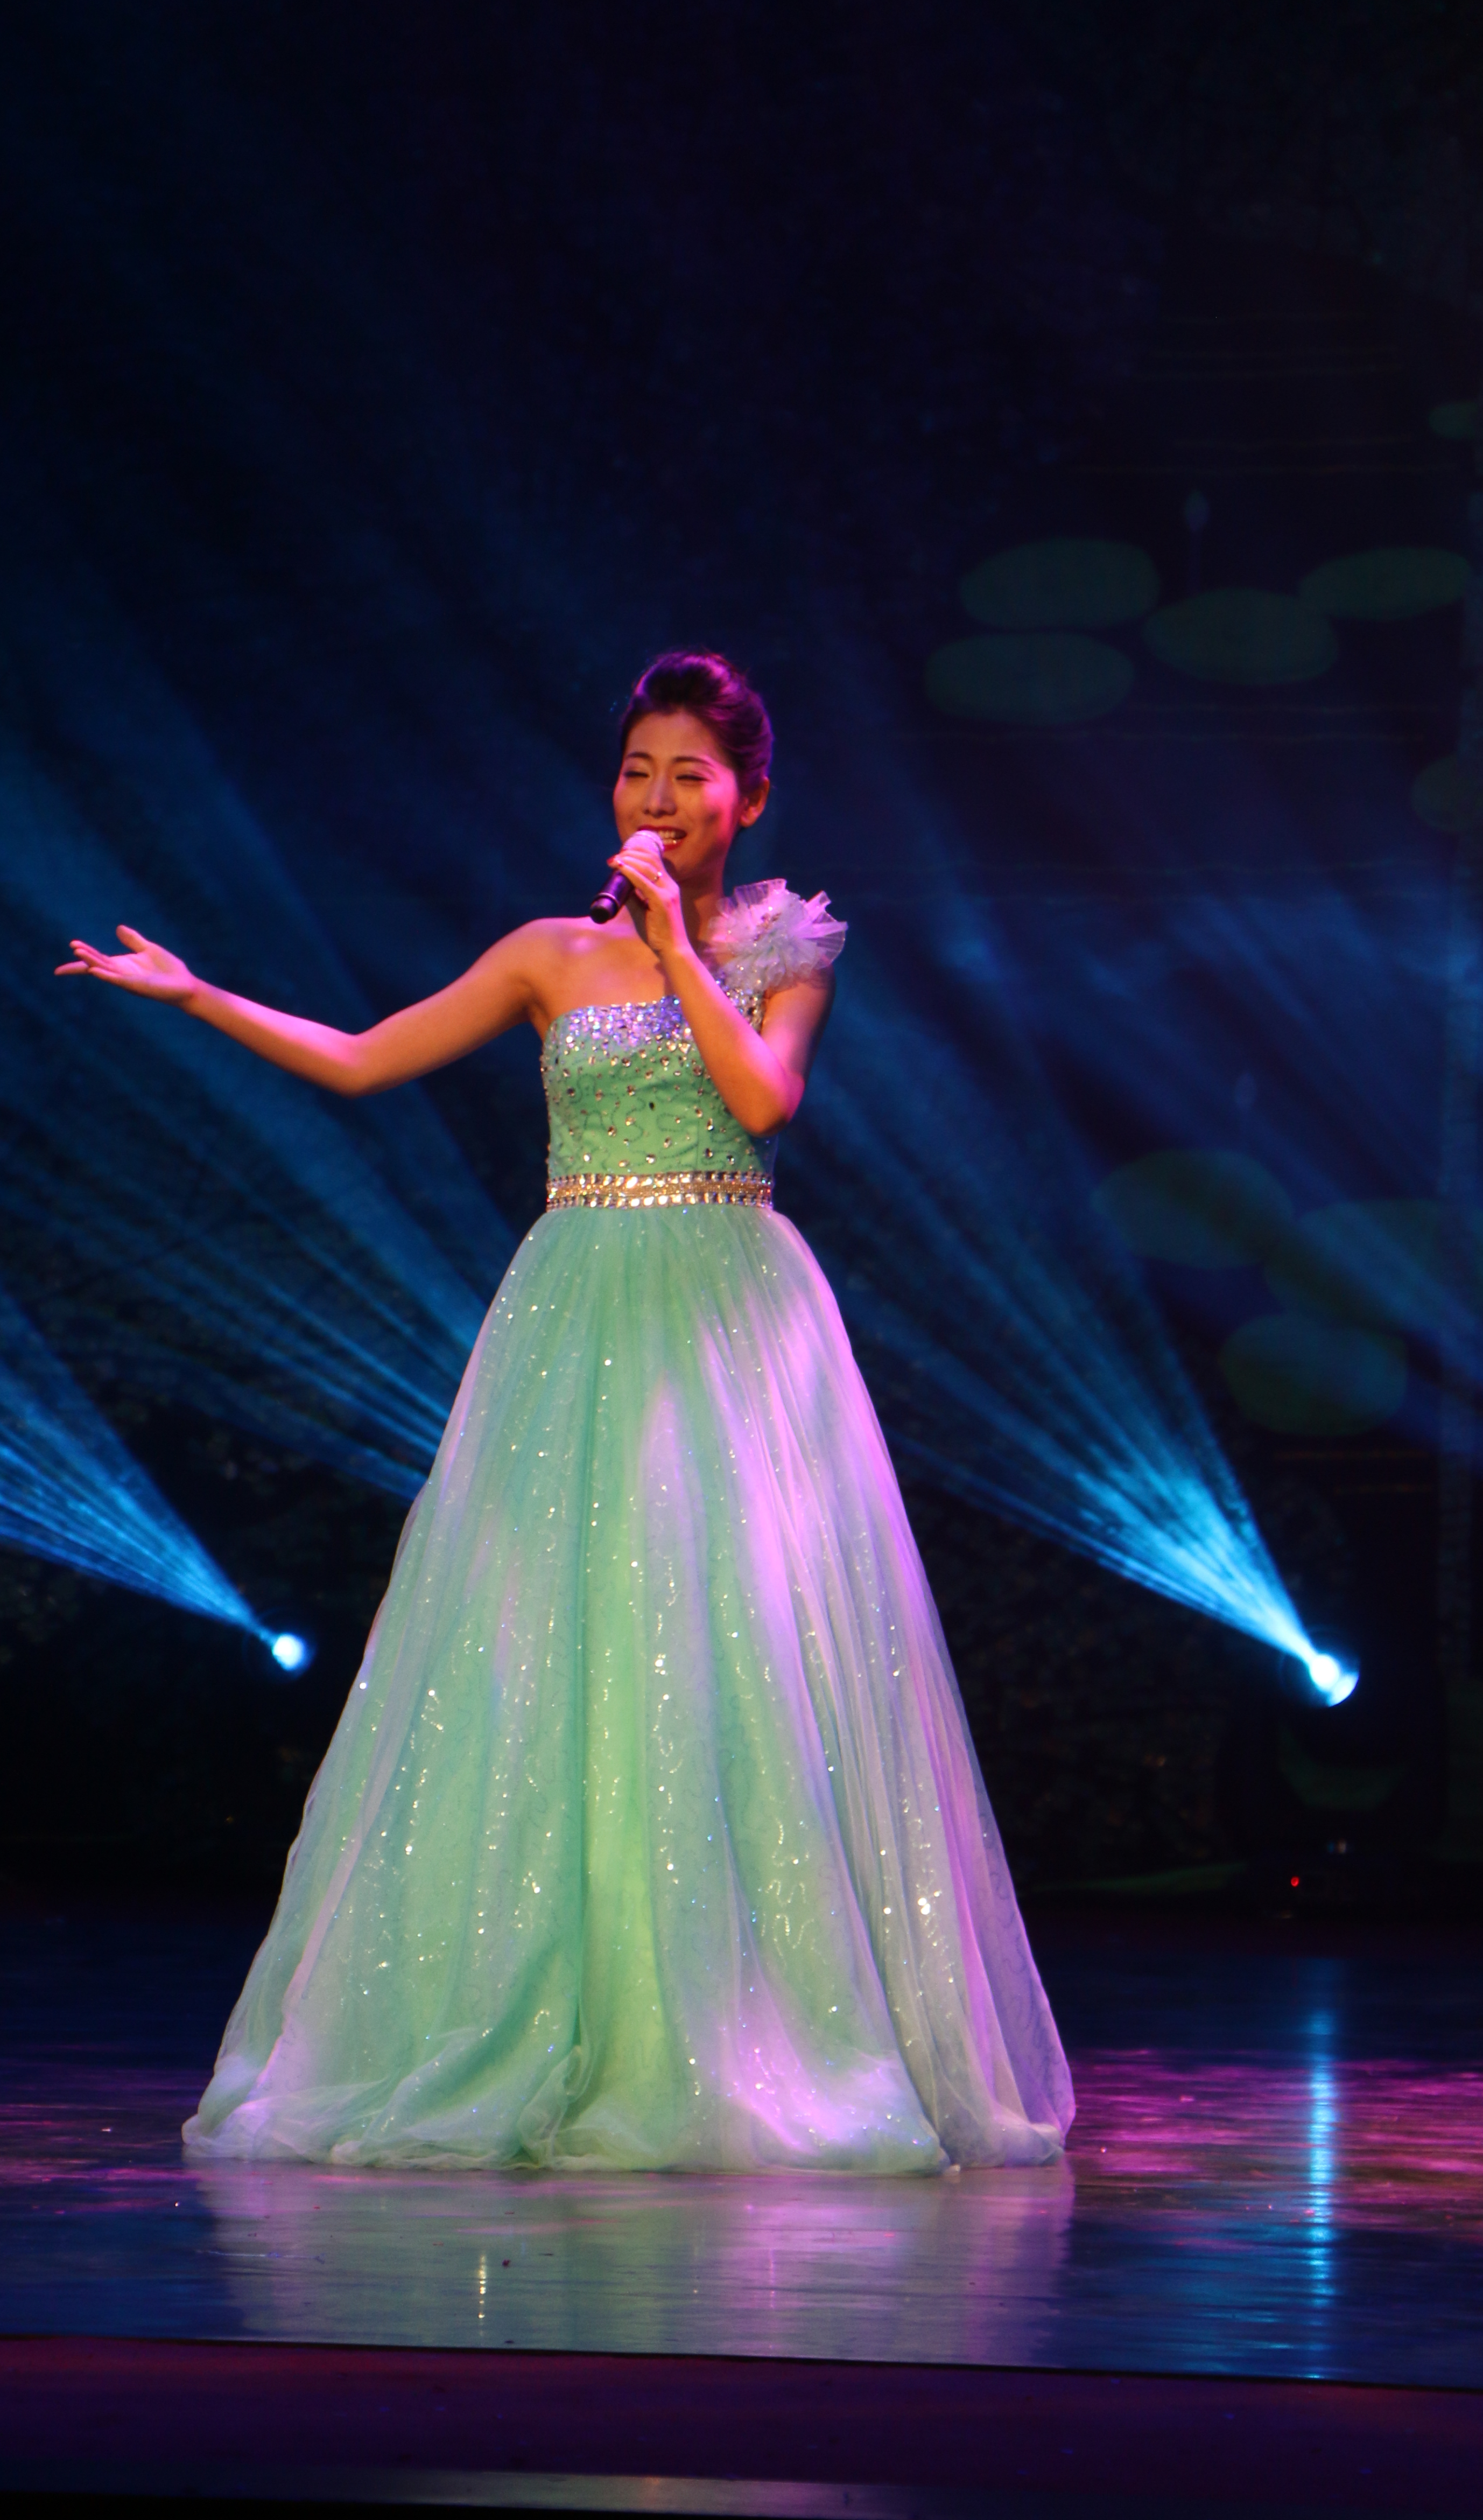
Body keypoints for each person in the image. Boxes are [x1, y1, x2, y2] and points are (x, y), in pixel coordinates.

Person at [59, 651, 1073, 2171]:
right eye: (636, 772)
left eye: (689, 776)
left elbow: (763, 1102)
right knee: (553, 1644)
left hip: (731, 1314)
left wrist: (675, 945)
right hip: (577, 1308)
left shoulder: (790, 948)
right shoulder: (546, 954)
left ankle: (744, 2026)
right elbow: (363, 1061)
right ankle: (553, 2008)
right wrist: (197, 994)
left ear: (748, 797)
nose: (657, 799)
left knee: (737, 1641)